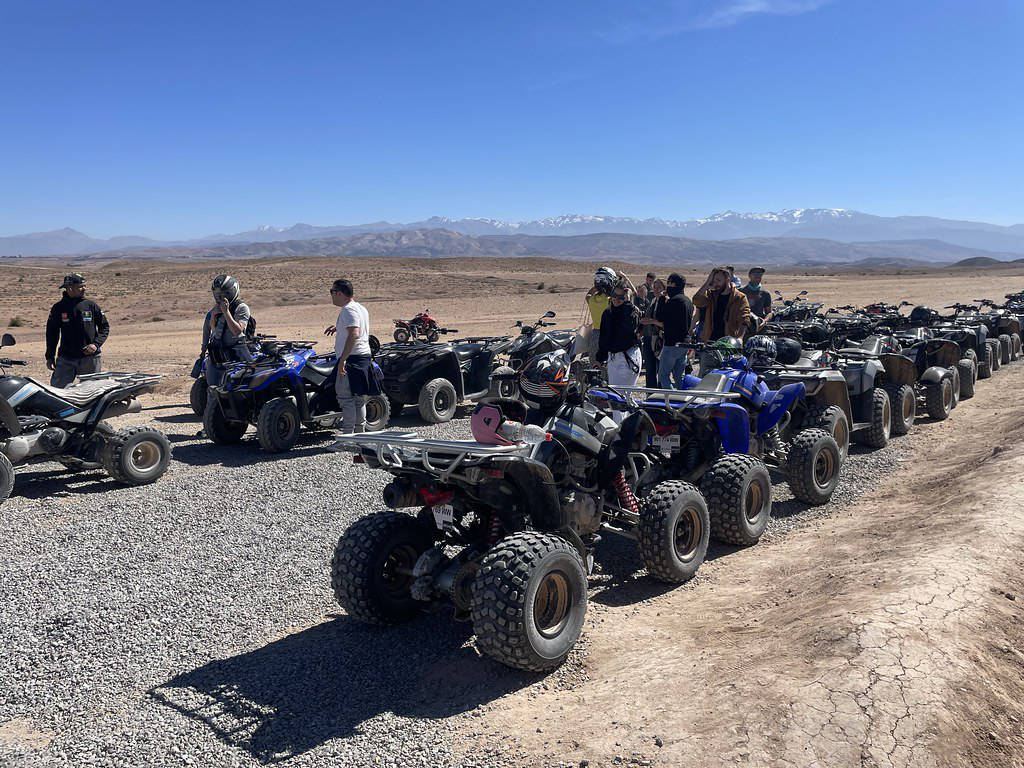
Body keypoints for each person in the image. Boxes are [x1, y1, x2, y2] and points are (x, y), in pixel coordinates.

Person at [325, 278, 374, 446]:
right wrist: (338, 327)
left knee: (346, 399)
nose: (331, 295)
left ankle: (346, 439)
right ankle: (360, 437)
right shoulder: (361, 308)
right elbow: (353, 328)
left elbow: (354, 333)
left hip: (351, 359)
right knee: (359, 398)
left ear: (339, 293)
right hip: (363, 357)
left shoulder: (348, 310)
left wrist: (343, 360)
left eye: (332, 292)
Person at [45, 273, 110, 388]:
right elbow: (52, 334)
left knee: (92, 391)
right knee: (58, 390)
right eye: (80, 286)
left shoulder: (91, 306)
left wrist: (95, 345)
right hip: (66, 358)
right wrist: (50, 356)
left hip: (90, 358)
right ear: (69, 287)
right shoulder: (58, 308)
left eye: (84, 285)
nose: (84, 288)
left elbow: (104, 327)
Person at [692, 267, 751, 374]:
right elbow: (697, 300)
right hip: (710, 344)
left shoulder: (739, 297)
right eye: (714, 280)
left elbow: (745, 318)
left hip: (729, 345)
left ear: (728, 280)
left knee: (728, 376)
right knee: (705, 377)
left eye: (718, 281)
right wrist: (707, 283)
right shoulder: (711, 295)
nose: (716, 284)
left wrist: (740, 338)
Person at [596, 283, 642, 416]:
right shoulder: (607, 313)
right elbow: (604, 338)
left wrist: (627, 303)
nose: (617, 299)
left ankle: (622, 432)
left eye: (621, 297)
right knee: (617, 397)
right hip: (613, 357)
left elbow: (628, 329)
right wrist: (600, 358)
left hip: (628, 357)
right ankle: (624, 430)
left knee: (621, 399)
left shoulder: (632, 311)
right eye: (614, 295)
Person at [201, 275, 253, 389]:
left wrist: (226, 312)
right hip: (218, 355)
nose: (221, 298)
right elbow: (213, 332)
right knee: (214, 388)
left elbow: (237, 331)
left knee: (238, 388)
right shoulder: (214, 310)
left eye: (224, 294)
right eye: (218, 295)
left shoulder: (241, 308)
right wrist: (213, 318)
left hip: (236, 355)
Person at [652, 273, 695, 389]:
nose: (668, 287)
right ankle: (681, 400)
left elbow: (660, 317)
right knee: (679, 375)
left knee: (663, 375)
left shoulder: (674, 301)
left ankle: (670, 399)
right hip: (684, 343)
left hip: (672, 344)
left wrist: (661, 299)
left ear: (675, 285)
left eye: (670, 283)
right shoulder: (688, 301)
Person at [585, 267, 617, 362]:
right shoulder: (611, 300)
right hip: (609, 334)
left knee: (594, 363)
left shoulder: (592, 300)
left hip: (595, 335)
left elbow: (588, 294)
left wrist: (596, 287)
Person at [638, 278, 666, 387]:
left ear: (664, 289)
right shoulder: (653, 301)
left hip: (660, 340)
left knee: (660, 368)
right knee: (649, 368)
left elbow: (666, 323)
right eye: (654, 287)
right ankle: (650, 394)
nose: (656, 290)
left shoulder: (666, 302)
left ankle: (660, 394)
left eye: (659, 287)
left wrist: (652, 321)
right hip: (648, 337)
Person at [739, 266, 773, 332]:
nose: (758, 276)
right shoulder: (741, 292)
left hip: (759, 327)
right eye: (755, 274)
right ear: (749, 276)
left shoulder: (765, 293)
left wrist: (765, 321)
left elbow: (769, 312)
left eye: (760, 275)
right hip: (743, 328)